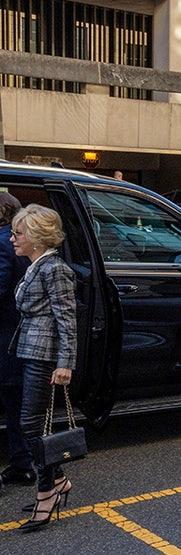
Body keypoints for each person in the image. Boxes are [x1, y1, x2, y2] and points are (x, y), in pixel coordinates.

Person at [9, 204, 77, 531]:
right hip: (33, 351)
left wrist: (66, 364)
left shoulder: (54, 269)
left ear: (36, 237)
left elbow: (67, 319)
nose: (12, 239)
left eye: (18, 233)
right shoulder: (37, 265)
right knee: (31, 424)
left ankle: (46, 491)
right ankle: (58, 479)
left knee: (30, 425)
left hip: (46, 354)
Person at [0, 192, 33, 488]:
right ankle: (23, 464)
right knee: (16, 405)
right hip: (16, 336)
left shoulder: (2, 243)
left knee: (14, 402)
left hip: (5, 336)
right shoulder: (17, 243)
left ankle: (25, 465)